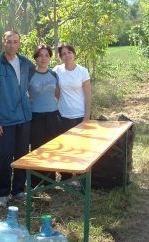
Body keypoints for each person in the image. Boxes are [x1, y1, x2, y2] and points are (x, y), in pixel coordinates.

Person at [0, 31, 35, 208]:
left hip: (25, 118)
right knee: (5, 157)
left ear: (19, 44)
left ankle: (18, 190)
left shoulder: (26, 63)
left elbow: (37, 80)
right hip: (5, 120)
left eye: (15, 42)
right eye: (9, 42)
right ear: (4, 43)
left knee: (22, 155)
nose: (12, 45)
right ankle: (2, 193)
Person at [53, 44, 92, 184]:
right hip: (63, 116)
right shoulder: (57, 71)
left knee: (81, 148)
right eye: (63, 53)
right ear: (60, 57)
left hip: (80, 116)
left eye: (69, 52)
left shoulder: (82, 71)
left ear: (74, 54)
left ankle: (82, 179)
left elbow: (88, 95)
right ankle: (66, 178)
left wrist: (86, 117)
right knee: (65, 149)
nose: (67, 55)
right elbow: (55, 91)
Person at [28, 44, 60, 187]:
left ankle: (50, 181)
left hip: (52, 116)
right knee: (37, 149)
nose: (43, 58)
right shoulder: (30, 75)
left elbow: (57, 94)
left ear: (50, 57)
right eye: (40, 55)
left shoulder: (54, 74)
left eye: (47, 55)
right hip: (36, 117)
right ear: (36, 58)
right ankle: (36, 183)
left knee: (51, 148)